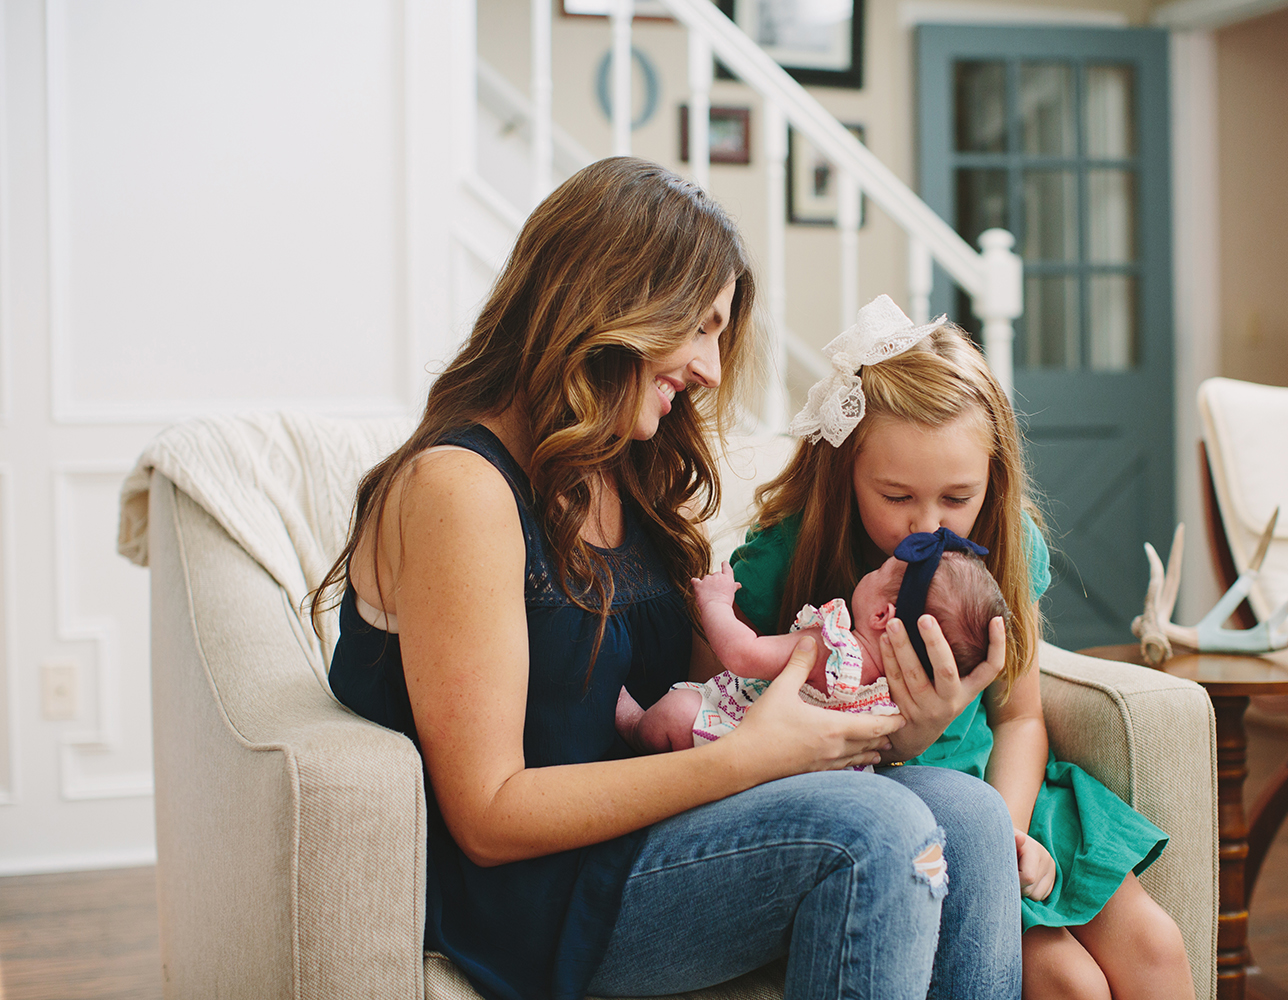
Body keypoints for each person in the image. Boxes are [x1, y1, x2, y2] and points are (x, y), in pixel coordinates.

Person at [313, 158, 1025, 1000]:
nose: (713, 370)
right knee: (877, 828)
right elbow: (489, 816)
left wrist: (898, 727)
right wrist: (749, 762)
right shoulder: (460, 487)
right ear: (613, 303)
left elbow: (715, 695)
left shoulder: (622, 469)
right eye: (701, 328)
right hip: (545, 890)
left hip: (666, 822)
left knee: (971, 813)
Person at [731, 294, 1195, 1000]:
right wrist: (901, 740)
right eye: (896, 497)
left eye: (956, 498)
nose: (928, 526)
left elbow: (1020, 716)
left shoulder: (1005, 547)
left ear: (992, 481)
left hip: (1008, 801)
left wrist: (1009, 834)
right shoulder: (784, 558)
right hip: (890, 816)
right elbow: (723, 721)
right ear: (844, 472)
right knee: (1069, 982)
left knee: (1156, 948)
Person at [618, 534, 1006, 757]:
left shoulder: (832, 648)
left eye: (880, 570)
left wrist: (715, 603)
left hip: (742, 748)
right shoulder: (893, 697)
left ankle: (632, 726)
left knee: (679, 711)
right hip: (806, 780)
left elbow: (742, 654)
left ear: (881, 615)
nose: (870, 572)